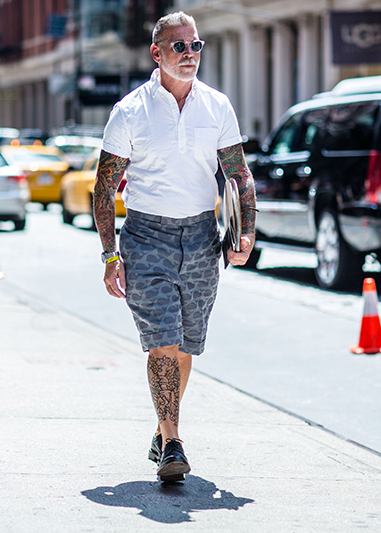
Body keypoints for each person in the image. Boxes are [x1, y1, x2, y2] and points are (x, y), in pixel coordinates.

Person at [93, 11, 257, 482]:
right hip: (147, 238)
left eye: (196, 46)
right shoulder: (129, 111)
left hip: (203, 237)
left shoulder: (217, 106)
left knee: (186, 346)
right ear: (157, 53)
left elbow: (237, 172)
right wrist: (110, 255)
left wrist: (246, 231)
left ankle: (162, 432)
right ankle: (174, 445)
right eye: (179, 46)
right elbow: (105, 189)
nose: (190, 55)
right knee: (162, 343)